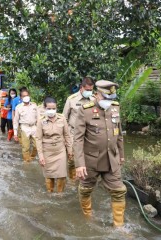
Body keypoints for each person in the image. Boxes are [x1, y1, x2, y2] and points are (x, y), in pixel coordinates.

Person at [73, 80, 126, 227]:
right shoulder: (85, 110)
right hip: (91, 161)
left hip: (111, 159)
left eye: (111, 98)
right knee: (85, 189)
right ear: (97, 94)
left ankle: (119, 227)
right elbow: (77, 140)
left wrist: (121, 154)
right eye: (106, 98)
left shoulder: (115, 108)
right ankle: (87, 217)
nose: (109, 102)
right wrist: (79, 164)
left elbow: (119, 134)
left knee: (119, 191)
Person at [36, 97, 73, 193]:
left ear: (56, 108)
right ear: (45, 108)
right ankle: (50, 193)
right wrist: (41, 156)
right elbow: (38, 139)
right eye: (49, 108)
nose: (51, 111)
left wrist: (70, 151)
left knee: (62, 175)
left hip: (60, 151)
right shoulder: (41, 120)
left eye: (53, 108)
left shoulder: (62, 118)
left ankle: (60, 195)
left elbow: (67, 135)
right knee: (49, 176)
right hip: (47, 152)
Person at [63, 77, 95, 181]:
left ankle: (84, 179)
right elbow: (64, 118)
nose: (89, 92)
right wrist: (65, 136)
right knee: (72, 157)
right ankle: (72, 179)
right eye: (87, 90)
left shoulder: (94, 99)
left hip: (89, 133)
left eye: (91, 90)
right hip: (74, 133)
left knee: (88, 157)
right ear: (81, 88)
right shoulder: (71, 99)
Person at [13, 89, 38, 162]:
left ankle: (32, 157)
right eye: (24, 96)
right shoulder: (18, 107)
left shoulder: (34, 105)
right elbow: (16, 121)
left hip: (34, 127)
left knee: (37, 146)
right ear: (20, 97)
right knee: (25, 147)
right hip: (24, 128)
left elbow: (38, 117)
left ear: (29, 96)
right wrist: (15, 133)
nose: (26, 97)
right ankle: (27, 161)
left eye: (27, 95)